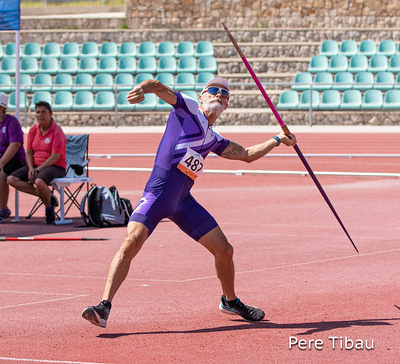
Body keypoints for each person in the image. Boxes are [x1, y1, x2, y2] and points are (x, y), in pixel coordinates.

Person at [82, 77, 297, 328]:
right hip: (157, 196)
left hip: (183, 203)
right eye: (214, 91)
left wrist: (278, 139)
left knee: (225, 250)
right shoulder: (189, 108)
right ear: (202, 94)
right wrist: (142, 89)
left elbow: (247, 155)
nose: (219, 95)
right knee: (131, 241)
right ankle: (103, 307)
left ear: (227, 105)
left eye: (224, 94)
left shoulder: (213, 139)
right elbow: (159, 87)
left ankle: (230, 301)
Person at [8, 101, 67, 225]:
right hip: (35, 165)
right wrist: (30, 168)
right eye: (38, 112)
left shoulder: (57, 131)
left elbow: (55, 157)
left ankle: (49, 209)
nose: (40, 115)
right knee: (11, 179)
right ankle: (48, 198)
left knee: (39, 181)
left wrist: (37, 169)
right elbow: (29, 152)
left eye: (43, 112)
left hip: (55, 166)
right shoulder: (33, 130)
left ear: (50, 114)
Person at [0, 93, 26, 223]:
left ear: (1, 108)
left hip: (15, 161)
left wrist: (1, 162)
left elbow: (14, 145)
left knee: (1, 174)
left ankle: (2, 209)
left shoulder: (11, 122)